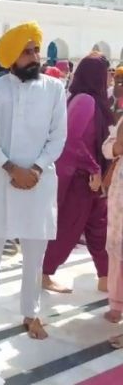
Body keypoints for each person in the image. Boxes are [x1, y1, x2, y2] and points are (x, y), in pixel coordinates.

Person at [0, 21, 67, 340]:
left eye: (36, 50)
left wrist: (36, 169)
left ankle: (31, 312)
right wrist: (12, 168)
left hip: (39, 182)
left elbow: (58, 136)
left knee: (34, 252)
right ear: (11, 56)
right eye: (27, 51)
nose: (34, 57)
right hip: (1, 179)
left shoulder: (54, 89)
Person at [42, 53, 112, 293]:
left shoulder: (94, 100)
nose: (109, 77)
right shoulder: (85, 100)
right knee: (68, 229)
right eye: (106, 72)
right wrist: (93, 168)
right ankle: (44, 273)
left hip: (93, 179)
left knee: (99, 229)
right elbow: (72, 140)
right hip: (80, 178)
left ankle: (106, 277)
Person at [103, 117, 123, 341]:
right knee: (117, 255)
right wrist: (117, 146)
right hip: (120, 200)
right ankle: (116, 303)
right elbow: (107, 148)